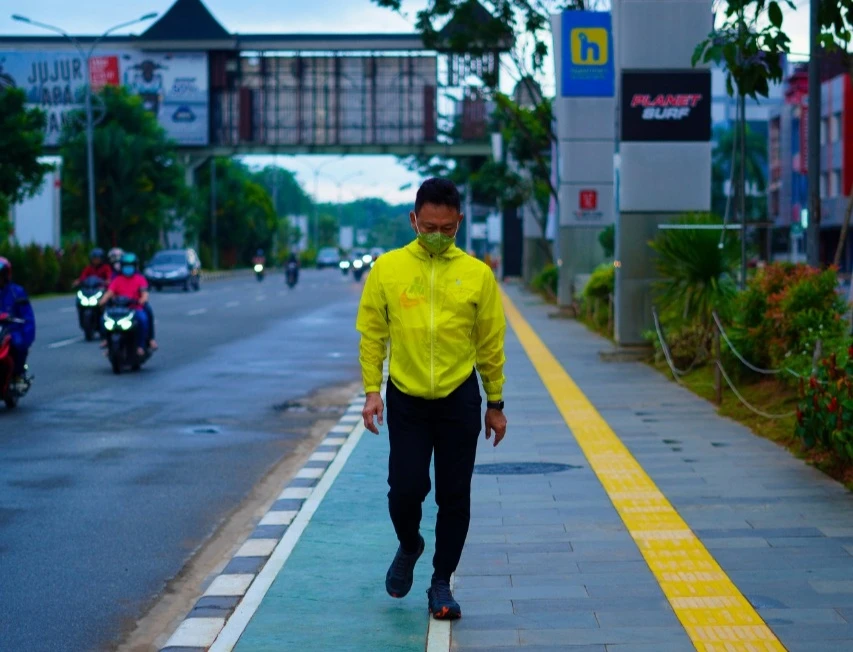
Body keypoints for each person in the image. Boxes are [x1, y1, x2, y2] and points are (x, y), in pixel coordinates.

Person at [356, 177, 508, 621]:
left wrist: (495, 403)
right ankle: (410, 542)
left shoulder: (478, 275)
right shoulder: (387, 268)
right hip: (406, 397)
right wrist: (371, 390)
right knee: (405, 490)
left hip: (459, 397)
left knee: (454, 495)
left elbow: (490, 343)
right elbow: (372, 334)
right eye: (428, 227)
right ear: (413, 221)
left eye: (446, 228)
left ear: (459, 222)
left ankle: (441, 582)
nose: (437, 236)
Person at [99, 253, 152, 357]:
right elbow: (109, 292)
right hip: (119, 310)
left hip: (134, 309)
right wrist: (102, 300)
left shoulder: (140, 279)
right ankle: (107, 341)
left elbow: (144, 293)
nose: (128, 268)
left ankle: (140, 346)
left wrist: (142, 299)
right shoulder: (117, 279)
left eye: (130, 266)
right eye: (126, 266)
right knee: (103, 319)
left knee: (143, 320)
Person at [0, 257, 36, 387]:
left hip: (12, 329)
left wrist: (28, 336)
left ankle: (18, 375)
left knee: (18, 344)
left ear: (5, 275)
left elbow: (27, 316)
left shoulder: (17, 292)